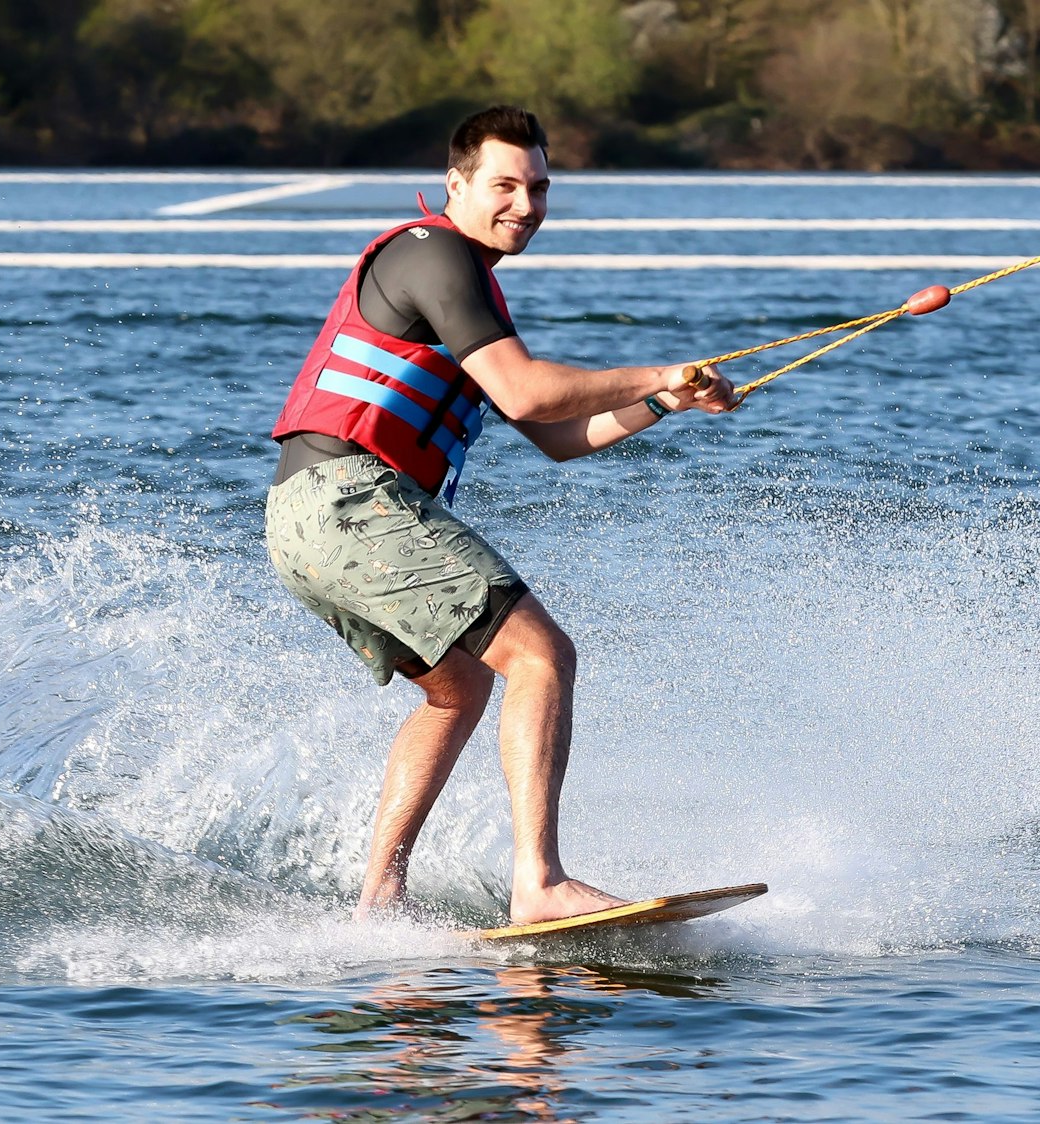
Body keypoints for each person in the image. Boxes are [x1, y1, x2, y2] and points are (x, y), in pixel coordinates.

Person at [263, 105, 737, 925]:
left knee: (458, 693)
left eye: (541, 188)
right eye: (505, 185)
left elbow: (557, 436)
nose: (526, 205)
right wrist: (658, 367)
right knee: (542, 655)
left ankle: (378, 901)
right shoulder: (435, 252)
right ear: (456, 186)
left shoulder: (466, 290)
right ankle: (540, 884)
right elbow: (525, 390)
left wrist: (664, 401)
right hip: (348, 500)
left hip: (303, 522)